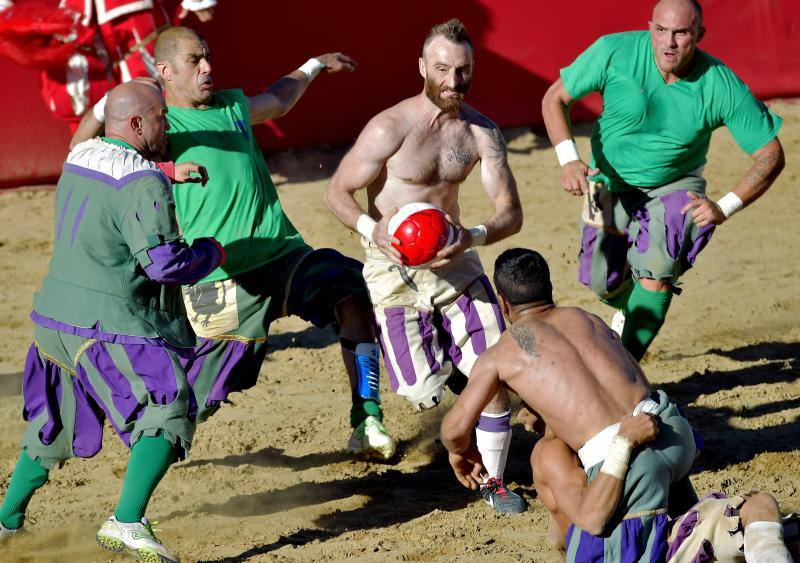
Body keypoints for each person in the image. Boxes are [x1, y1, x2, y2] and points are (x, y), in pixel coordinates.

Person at [149, 26, 397, 460]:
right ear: (164, 71)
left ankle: (367, 419)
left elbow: (278, 101)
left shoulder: (230, 104)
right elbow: (89, 151)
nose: (208, 68)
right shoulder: (159, 126)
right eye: (195, 61)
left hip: (281, 255)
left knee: (350, 286)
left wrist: (316, 64)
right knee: (193, 404)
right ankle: (143, 452)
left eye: (208, 57)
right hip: (219, 278)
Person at [0, 81, 224, 563]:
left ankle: (6, 522)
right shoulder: (145, 182)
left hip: (53, 322)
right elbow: (162, 265)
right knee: (170, 408)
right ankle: (126, 522)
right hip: (110, 324)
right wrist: (212, 251)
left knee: (52, 426)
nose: (170, 124)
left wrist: (165, 170)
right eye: (163, 117)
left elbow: (114, 173)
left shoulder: (79, 155)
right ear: (137, 124)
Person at [324, 19, 524, 513]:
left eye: (463, 71)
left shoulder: (482, 132)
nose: (453, 82)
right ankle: (468, 387)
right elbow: (337, 193)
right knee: (419, 388)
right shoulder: (389, 126)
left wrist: (471, 235)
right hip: (391, 269)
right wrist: (375, 232)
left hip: (456, 262)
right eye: (442, 69)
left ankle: (495, 481)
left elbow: (511, 213)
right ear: (421, 68)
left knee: (494, 374)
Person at [541, 0, 785, 360]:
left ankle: (623, 370)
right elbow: (554, 98)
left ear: (699, 35)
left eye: (681, 33)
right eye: (661, 30)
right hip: (605, 180)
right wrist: (569, 160)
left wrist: (725, 206)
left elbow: (771, 154)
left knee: (657, 272)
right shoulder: (613, 51)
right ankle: (634, 305)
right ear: (650, 27)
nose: (669, 42)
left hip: (675, 186)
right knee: (599, 279)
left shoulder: (719, 82)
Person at [441, 248, 698, 553]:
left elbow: (453, 430)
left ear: (503, 303)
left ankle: (575, 550)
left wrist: (461, 452)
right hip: (673, 432)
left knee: (546, 458)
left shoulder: (500, 354)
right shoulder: (586, 318)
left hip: (626, 466)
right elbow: (628, 377)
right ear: (549, 289)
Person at [531, 416, 797, 562]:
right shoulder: (553, 452)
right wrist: (623, 444)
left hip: (655, 541)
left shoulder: (569, 446)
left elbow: (559, 540)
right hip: (634, 549)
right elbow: (591, 520)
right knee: (761, 510)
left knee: (769, 522)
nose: (522, 418)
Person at [0, 0, 216, 131]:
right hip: (76, 15)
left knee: (156, 91)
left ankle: (178, 169)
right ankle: (92, 173)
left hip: (132, 13)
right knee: (76, 93)